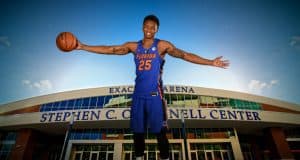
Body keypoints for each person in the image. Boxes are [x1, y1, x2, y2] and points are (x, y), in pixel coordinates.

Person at [74, 15, 229, 160]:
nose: (149, 29)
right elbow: (110, 49)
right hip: (138, 95)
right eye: (146, 26)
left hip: (155, 96)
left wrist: (210, 62)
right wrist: (82, 46)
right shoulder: (133, 47)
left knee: (160, 133)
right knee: (138, 133)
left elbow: (185, 55)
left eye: (152, 27)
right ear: (142, 27)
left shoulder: (162, 45)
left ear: (156, 29)